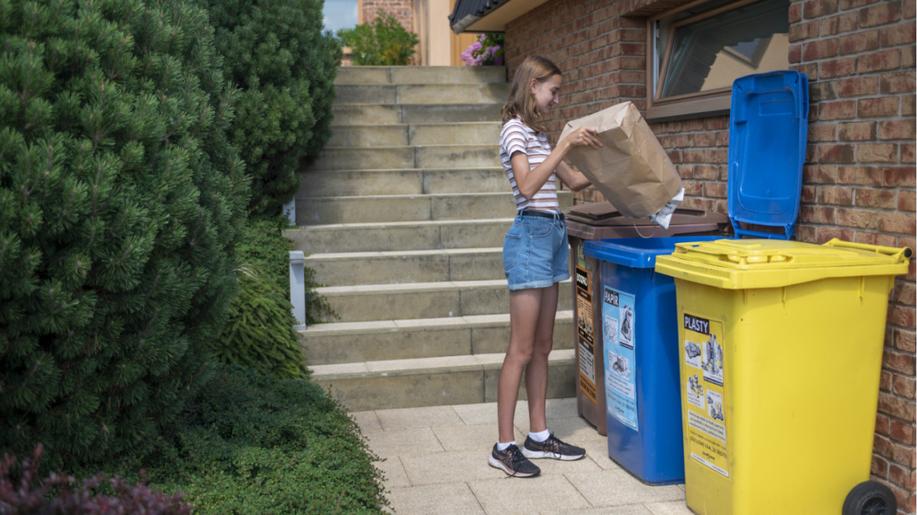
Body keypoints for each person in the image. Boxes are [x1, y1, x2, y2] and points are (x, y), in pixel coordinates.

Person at [488, 55, 602, 478]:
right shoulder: (514, 129)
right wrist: (562, 147)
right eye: (553, 91)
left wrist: (606, 156)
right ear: (533, 85)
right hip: (530, 236)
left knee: (542, 347)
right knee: (519, 349)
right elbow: (528, 185)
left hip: (554, 235)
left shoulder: (538, 133)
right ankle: (503, 446)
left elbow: (573, 182)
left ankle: (538, 434)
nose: (557, 99)